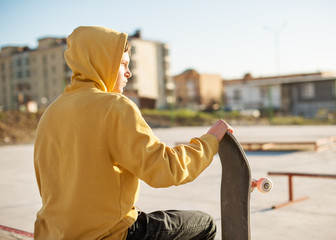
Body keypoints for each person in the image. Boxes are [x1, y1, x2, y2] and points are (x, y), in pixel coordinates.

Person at [34, 26, 233, 240]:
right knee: (204, 224)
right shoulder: (114, 106)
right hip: (108, 235)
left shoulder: (52, 112)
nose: (128, 72)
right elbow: (166, 168)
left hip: (53, 234)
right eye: (122, 64)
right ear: (101, 62)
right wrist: (210, 141)